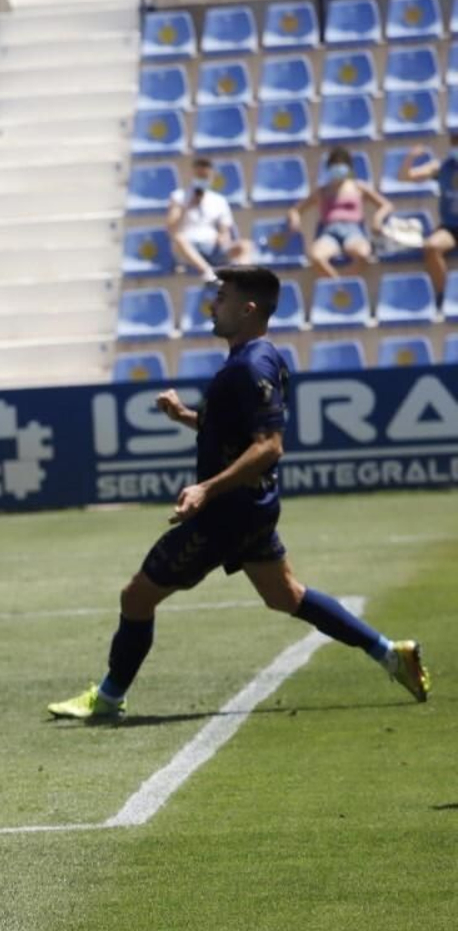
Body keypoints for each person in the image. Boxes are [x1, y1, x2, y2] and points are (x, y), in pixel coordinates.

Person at [48, 267, 430, 722]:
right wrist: (187, 416)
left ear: (247, 309)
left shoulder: (251, 366)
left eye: (222, 297)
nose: (213, 305)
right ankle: (391, 653)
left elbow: (269, 446)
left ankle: (109, 698)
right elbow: (240, 435)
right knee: (285, 595)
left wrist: (205, 489)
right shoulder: (254, 359)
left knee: (136, 597)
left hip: (224, 515)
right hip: (250, 509)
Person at [288, 147, 392, 279]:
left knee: (364, 254)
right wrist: (295, 219)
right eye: (335, 164)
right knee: (316, 256)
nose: (339, 167)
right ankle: (338, 284)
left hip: (353, 232)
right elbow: (296, 209)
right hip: (329, 233)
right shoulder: (322, 191)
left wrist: (378, 218)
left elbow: (386, 205)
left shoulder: (359, 187)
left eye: (342, 164)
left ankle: (345, 282)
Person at [166, 157, 255, 280]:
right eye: (199, 175)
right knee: (178, 239)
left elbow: (225, 229)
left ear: (212, 176)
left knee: (246, 246)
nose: (202, 179)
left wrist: (222, 237)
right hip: (188, 248)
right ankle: (208, 272)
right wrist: (186, 207)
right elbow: (171, 227)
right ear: (192, 174)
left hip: (212, 247)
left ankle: (245, 280)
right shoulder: (179, 197)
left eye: (205, 176)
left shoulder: (219, 201)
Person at [395, 137, 458, 294]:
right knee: (431, 247)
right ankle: (446, 297)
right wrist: (411, 157)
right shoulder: (442, 166)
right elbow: (404, 176)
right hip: (451, 228)